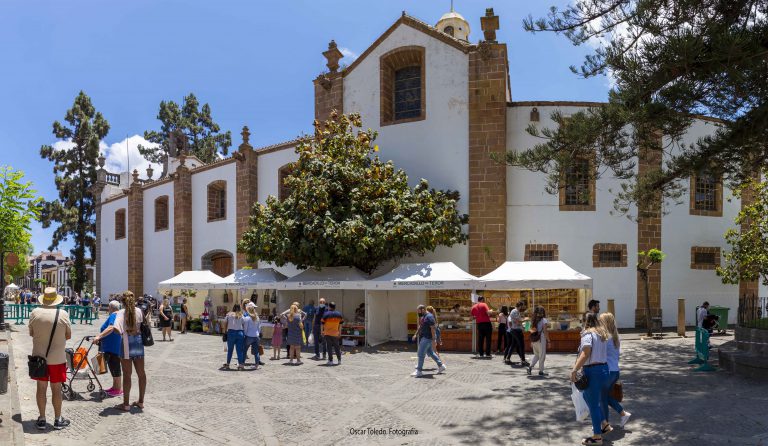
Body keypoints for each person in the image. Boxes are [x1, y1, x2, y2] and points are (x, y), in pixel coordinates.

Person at [95, 290, 147, 412]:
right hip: (138, 343)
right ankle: (140, 402)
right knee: (141, 374)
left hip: (126, 344)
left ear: (122, 302)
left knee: (127, 375)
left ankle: (126, 404)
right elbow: (144, 325)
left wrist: (124, 331)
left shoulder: (121, 313)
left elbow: (116, 329)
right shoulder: (139, 311)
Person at [28, 287, 72, 430]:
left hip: (39, 358)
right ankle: (58, 419)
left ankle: (42, 419)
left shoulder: (35, 312)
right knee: (56, 389)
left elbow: (31, 333)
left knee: (41, 388)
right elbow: (68, 335)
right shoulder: (63, 314)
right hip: (57, 359)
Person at [571, 313, 612, 445]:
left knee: (593, 405)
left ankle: (597, 437)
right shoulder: (602, 335)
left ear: (585, 321)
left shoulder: (588, 334)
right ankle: (604, 424)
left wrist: (574, 370)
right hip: (604, 370)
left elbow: (585, 353)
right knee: (589, 398)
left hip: (592, 371)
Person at [599, 312, 631, 429]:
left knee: (602, 398)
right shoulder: (616, 337)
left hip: (607, 371)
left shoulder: (605, 338)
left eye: (600, 321)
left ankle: (606, 423)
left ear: (605, 323)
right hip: (615, 371)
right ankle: (620, 415)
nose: (599, 323)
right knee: (605, 396)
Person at [411, 304, 446, 377]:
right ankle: (441, 366)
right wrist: (415, 334)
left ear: (423, 310)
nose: (418, 313)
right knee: (431, 353)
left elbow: (433, 328)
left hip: (427, 338)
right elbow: (421, 326)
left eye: (419, 311)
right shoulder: (424, 316)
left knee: (421, 354)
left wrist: (433, 339)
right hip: (426, 338)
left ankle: (419, 371)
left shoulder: (429, 316)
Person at [99, 300, 123, 397]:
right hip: (112, 345)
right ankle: (114, 387)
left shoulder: (114, 315)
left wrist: (99, 336)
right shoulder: (118, 314)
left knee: (115, 367)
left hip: (113, 346)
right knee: (113, 366)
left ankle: (118, 389)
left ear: (111, 307)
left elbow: (111, 327)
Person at [527, 306, 550, 376]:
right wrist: (549, 341)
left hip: (534, 339)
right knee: (542, 355)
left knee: (537, 355)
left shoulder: (533, 320)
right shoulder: (544, 320)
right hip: (541, 339)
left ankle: (530, 367)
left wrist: (531, 341)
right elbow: (545, 331)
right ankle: (541, 371)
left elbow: (530, 331)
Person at [505, 301, 529, 367]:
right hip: (516, 331)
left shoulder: (516, 311)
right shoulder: (515, 311)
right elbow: (517, 321)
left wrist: (523, 326)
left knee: (513, 345)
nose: (523, 307)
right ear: (520, 306)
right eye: (522, 306)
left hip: (515, 330)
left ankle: (507, 359)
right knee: (521, 345)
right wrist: (525, 319)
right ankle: (523, 361)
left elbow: (517, 322)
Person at [222, 304, 246, 371]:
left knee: (230, 350)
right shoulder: (241, 315)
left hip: (231, 333)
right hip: (240, 333)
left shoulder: (229, 315)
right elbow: (244, 325)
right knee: (239, 350)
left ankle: (228, 364)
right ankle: (240, 365)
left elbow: (225, 323)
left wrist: (225, 332)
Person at [243, 303, 262, 368]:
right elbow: (259, 328)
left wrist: (245, 335)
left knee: (244, 350)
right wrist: (258, 334)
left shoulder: (247, 318)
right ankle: (256, 365)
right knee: (256, 352)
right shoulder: (257, 318)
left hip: (249, 336)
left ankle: (242, 364)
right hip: (256, 336)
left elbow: (245, 328)